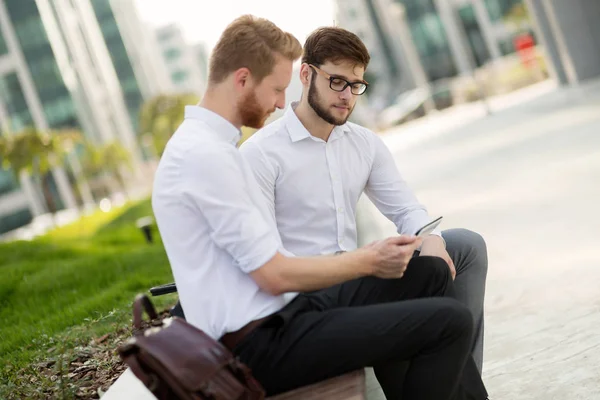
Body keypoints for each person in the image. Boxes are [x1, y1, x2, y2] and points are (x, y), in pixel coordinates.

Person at [152, 15, 483, 400]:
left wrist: (415, 244)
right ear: (242, 79)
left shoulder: (207, 147)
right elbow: (273, 275)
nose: (280, 102)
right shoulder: (210, 155)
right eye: (277, 89)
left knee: (428, 272)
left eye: (354, 85)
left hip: (282, 311)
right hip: (261, 337)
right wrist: (369, 261)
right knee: (451, 322)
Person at [239, 26, 488, 373]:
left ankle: (460, 375)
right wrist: (360, 264)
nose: (347, 96)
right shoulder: (260, 155)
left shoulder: (363, 143)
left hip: (358, 278)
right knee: (410, 295)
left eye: (356, 86)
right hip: (306, 297)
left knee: (463, 245)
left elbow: (406, 208)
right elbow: (266, 261)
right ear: (307, 74)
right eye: (337, 81)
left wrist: (429, 239)